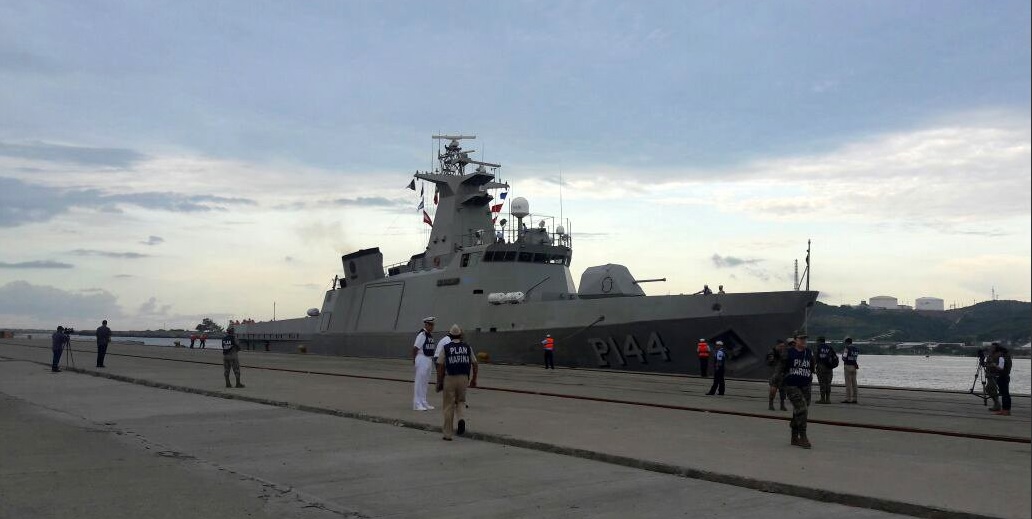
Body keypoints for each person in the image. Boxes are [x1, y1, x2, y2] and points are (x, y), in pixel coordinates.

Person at [435, 324, 478, 441]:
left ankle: (448, 434)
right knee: (461, 402)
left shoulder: (446, 347)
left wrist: (439, 382)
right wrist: (474, 379)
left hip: (450, 378)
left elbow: (440, 366)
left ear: (450, 335)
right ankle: (461, 419)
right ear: (460, 335)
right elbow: (475, 363)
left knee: (448, 406)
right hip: (464, 378)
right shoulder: (467, 347)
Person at [780, 332, 814, 448]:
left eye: (805, 339)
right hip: (792, 385)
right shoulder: (788, 353)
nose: (804, 341)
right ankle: (803, 436)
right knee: (802, 409)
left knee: (799, 411)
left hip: (805, 385)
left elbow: (812, 366)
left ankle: (794, 437)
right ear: (795, 340)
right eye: (801, 339)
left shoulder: (808, 352)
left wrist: (809, 378)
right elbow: (781, 369)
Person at [412, 317, 437, 411]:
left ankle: (423, 401)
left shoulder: (429, 335)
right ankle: (417, 403)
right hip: (422, 358)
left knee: (425, 382)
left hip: (428, 359)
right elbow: (415, 348)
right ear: (426, 325)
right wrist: (414, 360)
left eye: (433, 325)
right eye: (430, 325)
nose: (432, 326)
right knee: (419, 382)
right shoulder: (422, 334)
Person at [987, 343, 1012, 416]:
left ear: (998, 351)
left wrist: (994, 365)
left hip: (1002, 377)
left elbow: (1001, 367)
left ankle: (1005, 411)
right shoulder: (1006, 356)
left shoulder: (1001, 357)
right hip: (1005, 376)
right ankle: (1006, 410)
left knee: (1005, 394)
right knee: (1005, 394)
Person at [766, 338, 788, 411]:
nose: (782, 348)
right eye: (781, 346)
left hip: (783, 374)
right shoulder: (772, 352)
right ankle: (771, 404)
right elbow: (770, 362)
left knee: (783, 391)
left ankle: (782, 405)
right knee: (773, 389)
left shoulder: (784, 353)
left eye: (783, 346)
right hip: (775, 373)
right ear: (777, 346)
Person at [814, 336, 837, 403]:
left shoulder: (818, 347)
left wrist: (813, 367)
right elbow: (834, 357)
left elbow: (815, 358)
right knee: (828, 383)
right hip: (829, 367)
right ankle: (828, 399)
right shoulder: (829, 347)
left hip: (821, 367)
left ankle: (822, 399)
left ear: (819, 341)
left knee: (822, 383)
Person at [841, 337, 860, 403]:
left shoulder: (847, 348)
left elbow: (844, 358)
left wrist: (843, 354)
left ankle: (848, 399)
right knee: (854, 383)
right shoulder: (856, 349)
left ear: (847, 342)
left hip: (848, 366)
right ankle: (855, 399)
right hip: (854, 367)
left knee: (848, 384)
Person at [984, 347, 1002, 412]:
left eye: (991, 348)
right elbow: (989, 365)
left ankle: (997, 404)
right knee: (992, 390)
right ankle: (996, 405)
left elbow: (995, 366)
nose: (990, 350)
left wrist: (988, 364)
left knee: (988, 389)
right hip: (990, 375)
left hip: (993, 375)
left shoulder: (996, 357)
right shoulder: (991, 356)